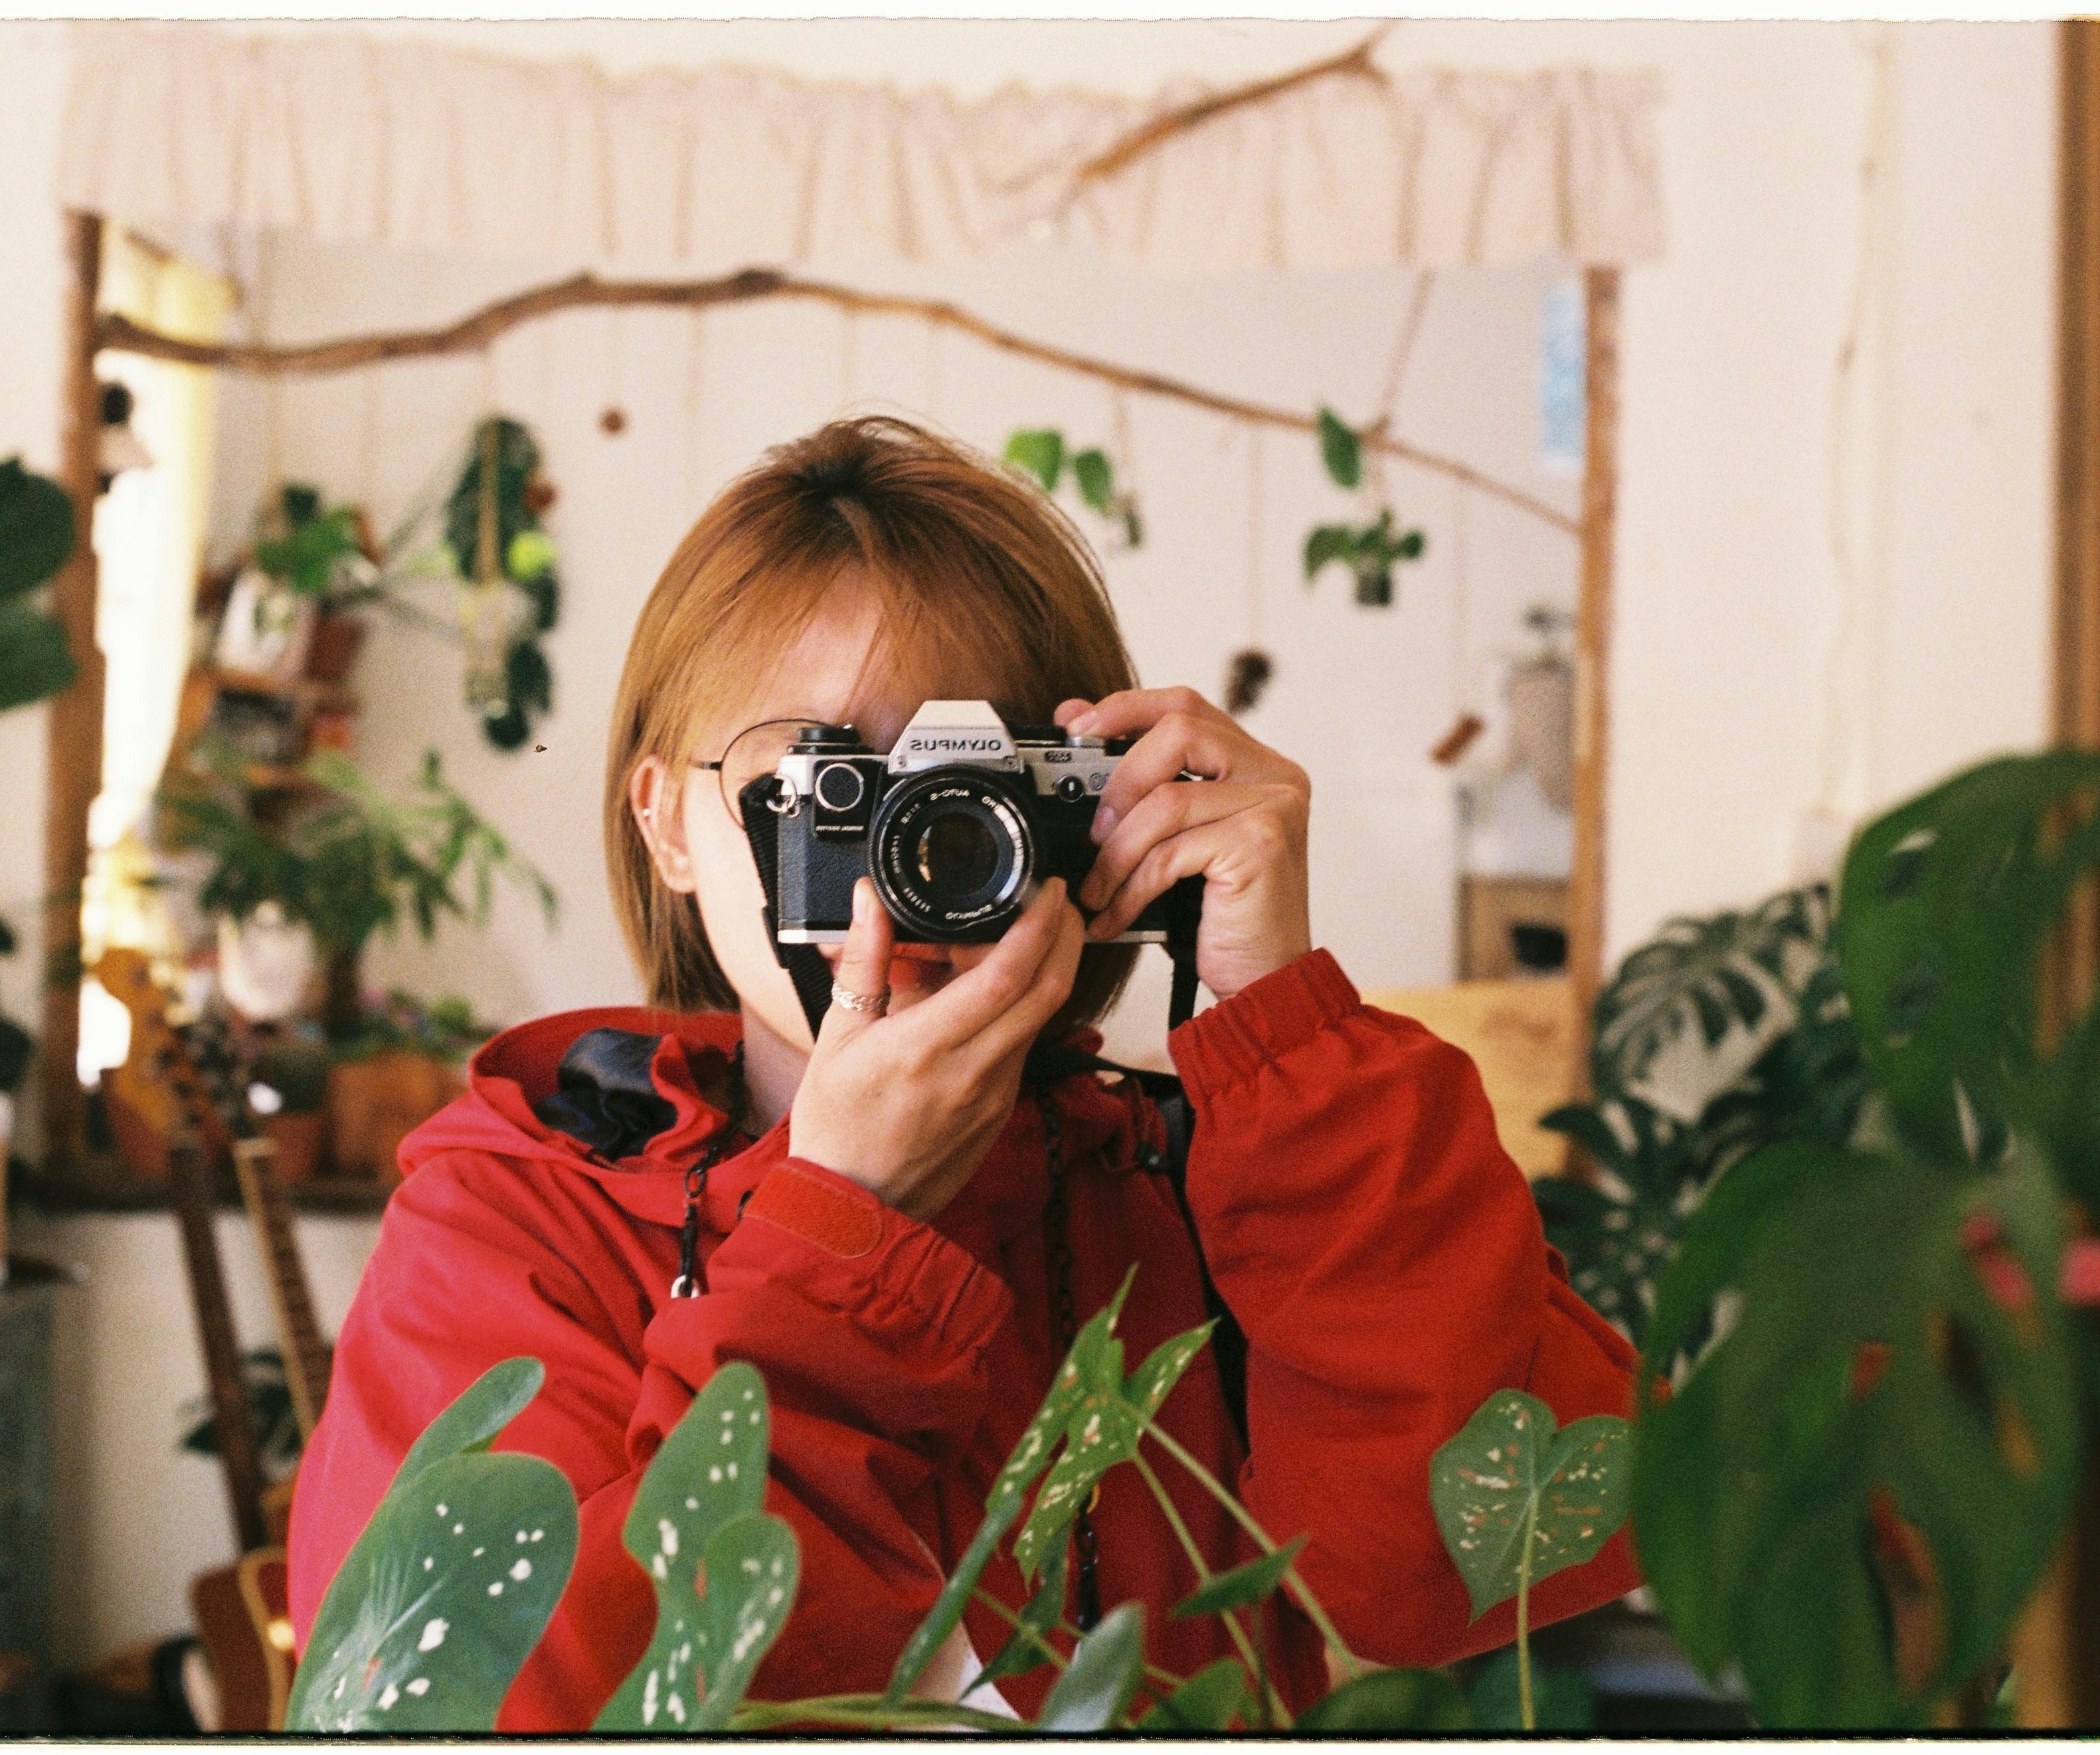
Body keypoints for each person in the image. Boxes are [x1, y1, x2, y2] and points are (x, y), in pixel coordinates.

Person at [286, 416, 1642, 1726]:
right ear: (669, 826)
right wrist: (842, 1229)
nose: (913, 855)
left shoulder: (1191, 1179)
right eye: (830, 786)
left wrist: (1280, 1021)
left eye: (971, 781)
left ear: (1084, 799)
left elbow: (1474, 1563)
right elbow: (508, 1705)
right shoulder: (520, 1222)